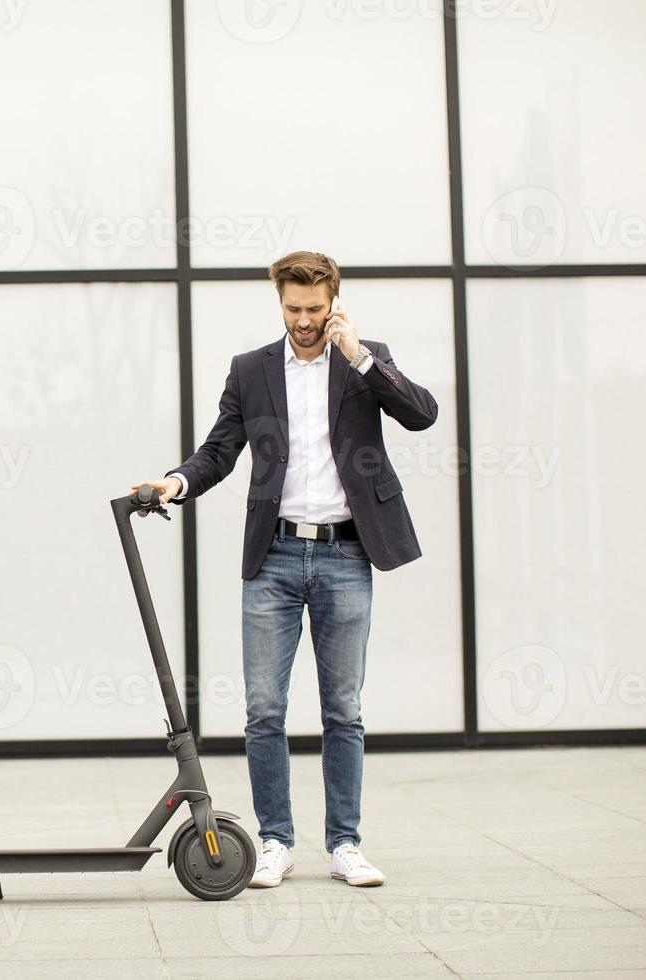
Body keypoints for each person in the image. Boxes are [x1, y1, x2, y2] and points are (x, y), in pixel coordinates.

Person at [130, 250, 438, 888]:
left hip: (348, 552)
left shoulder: (364, 358)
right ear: (280, 302)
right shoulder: (252, 370)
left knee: (343, 709)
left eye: (316, 310)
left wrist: (358, 354)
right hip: (272, 555)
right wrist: (175, 483)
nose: (304, 321)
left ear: (335, 302)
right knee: (265, 710)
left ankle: (345, 844)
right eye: (294, 309)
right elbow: (219, 449)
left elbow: (420, 413)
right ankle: (274, 841)